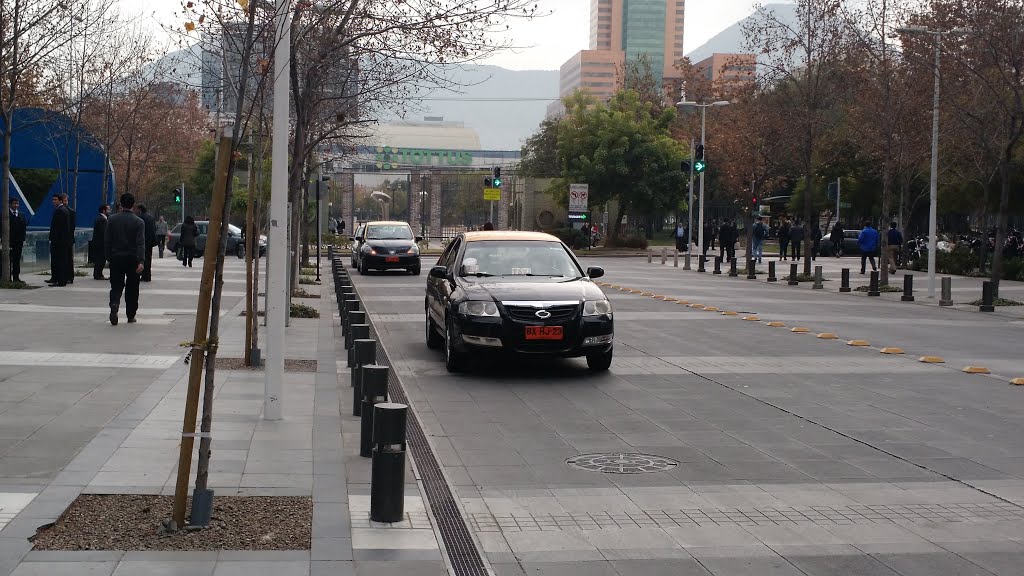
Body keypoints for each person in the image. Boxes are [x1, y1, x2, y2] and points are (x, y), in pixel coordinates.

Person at [105, 192, 145, 325]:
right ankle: (130, 314)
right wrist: (141, 261)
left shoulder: (112, 219)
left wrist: (108, 257)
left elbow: (107, 240)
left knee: (116, 284)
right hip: (132, 258)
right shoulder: (139, 222)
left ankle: (115, 303)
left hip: (116, 256)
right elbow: (140, 243)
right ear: (133, 204)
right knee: (132, 287)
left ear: (121, 204)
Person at [48, 194, 71, 286]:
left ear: (60, 200)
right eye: (53, 200)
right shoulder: (63, 210)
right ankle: (60, 280)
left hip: (59, 242)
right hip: (62, 241)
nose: (53, 201)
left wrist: (56, 240)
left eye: (55, 200)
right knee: (61, 261)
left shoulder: (60, 211)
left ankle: (60, 280)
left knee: (59, 261)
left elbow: (59, 228)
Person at [3, 198, 27, 283]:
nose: (16, 205)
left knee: (17, 260)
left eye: (17, 204)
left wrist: (23, 240)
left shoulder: (21, 215)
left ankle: (16, 277)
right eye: (14, 203)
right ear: (10, 204)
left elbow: (24, 228)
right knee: (8, 260)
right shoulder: (5, 215)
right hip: (9, 242)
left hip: (18, 242)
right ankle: (7, 277)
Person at [133, 204, 157, 281]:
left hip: (140, 242)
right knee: (148, 259)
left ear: (140, 209)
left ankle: (141, 274)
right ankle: (147, 275)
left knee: (140, 259)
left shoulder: (138, 218)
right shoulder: (151, 218)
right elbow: (154, 231)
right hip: (149, 242)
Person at [61, 194, 77, 284]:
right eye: (63, 201)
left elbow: (72, 227)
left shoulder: (71, 212)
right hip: (63, 239)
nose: (64, 202)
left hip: (68, 239)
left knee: (68, 259)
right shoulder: (59, 210)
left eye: (66, 201)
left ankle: (69, 277)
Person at [91, 204, 110, 280]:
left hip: (100, 243)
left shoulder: (103, 218)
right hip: (101, 243)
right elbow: (103, 232)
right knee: (100, 259)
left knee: (100, 259)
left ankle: (98, 273)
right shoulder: (101, 219)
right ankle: (98, 274)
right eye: (108, 209)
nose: (109, 211)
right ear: (103, 210)